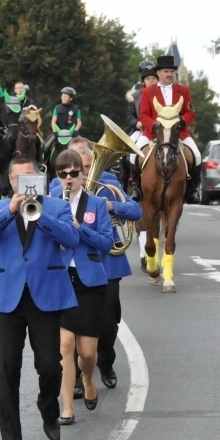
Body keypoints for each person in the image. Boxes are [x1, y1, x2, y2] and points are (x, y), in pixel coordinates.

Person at [0, 154, 80, 440]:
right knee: (7, 369)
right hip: (6, 298)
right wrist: (10, 209)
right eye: (19, 179)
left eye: (30, 178)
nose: (25, 184)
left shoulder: (57, 207)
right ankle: (11, 439)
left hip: (45, 295)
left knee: (49, 365)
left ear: (40, 179)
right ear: (10, 181)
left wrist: (40, 216)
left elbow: (72, 238)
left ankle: (48, 406)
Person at [50, 138, 142, 391]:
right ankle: (77, 377)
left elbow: (135, 211)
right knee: (70, 325)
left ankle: (106, 363)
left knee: (107, 321)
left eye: (88, 167)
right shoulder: (58, 188)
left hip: (108, 263)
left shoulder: (109, 185)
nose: (88, 173)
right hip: (70, 265)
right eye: (85, 167)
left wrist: (112, 206)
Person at [49, 149, 113, 425]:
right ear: (57, 177)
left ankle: (88, 378)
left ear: (83, 175)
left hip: (90, 282)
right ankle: (66, 408)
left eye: (74, 173)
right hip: (61, 280)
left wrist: (79, 228)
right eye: (63, 174)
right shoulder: (50, 203)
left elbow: (107, 243)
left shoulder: (96, 204)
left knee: (87, 353)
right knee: (64, 346)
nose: (69, 178)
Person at [135, 55, 202, 204]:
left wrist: (182, 122)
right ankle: (136, 188)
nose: (169, 74)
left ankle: (192, 190)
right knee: (133, 156)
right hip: (153, 133)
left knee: (197, 156)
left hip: (179, 132)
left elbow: (190, 112)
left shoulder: (183, 90)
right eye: (166, 71)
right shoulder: (147, 92)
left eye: (171, 71)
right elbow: (144, 114)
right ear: (158, 73)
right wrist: (154, 125)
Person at [125, 61, 158, 200]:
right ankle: (132, 185)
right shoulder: (136, 94)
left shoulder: (163, 93)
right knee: (127, 153)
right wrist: (137, 122)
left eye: (153, 78)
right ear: (142, 78)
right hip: (141, 130)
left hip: (161, 131)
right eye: (147, 78)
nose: (150, 80)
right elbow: (130, 115)